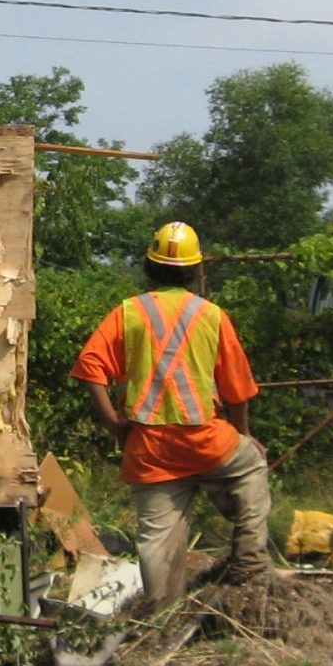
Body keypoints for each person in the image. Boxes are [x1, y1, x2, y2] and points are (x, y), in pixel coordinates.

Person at [70, 220, 271, 608]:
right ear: (196, 271)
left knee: (157, 548)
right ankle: (249, 569)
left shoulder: (128, 312)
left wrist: (114, 422)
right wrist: (244, 436)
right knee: (251, 469)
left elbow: (90, 366)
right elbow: (238, 391)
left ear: (149, 267)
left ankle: (163, 616)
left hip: (151, 452)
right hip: (207, 443)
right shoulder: (211, 315)